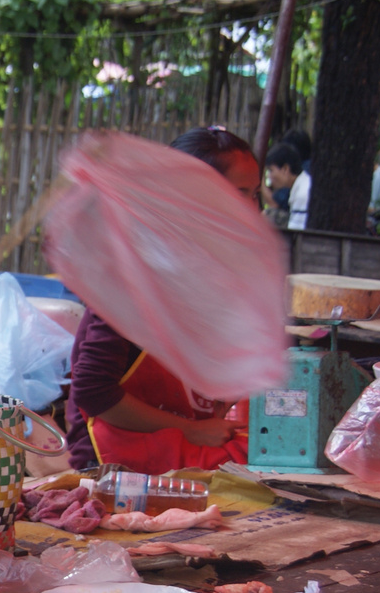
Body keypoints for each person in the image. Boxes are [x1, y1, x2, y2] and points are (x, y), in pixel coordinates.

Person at [64, 126, 257, 476]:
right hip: (115, 457)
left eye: (254, 195)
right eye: (240, 194)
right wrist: (191, 429)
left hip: (189, 442)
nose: (253, 209)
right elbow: (93, 392)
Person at [266, 142, 310, 230]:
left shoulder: (302, 194)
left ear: (285, 169)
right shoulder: (300, 186)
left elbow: (297, 233)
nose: (269, 176)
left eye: (271, 170)